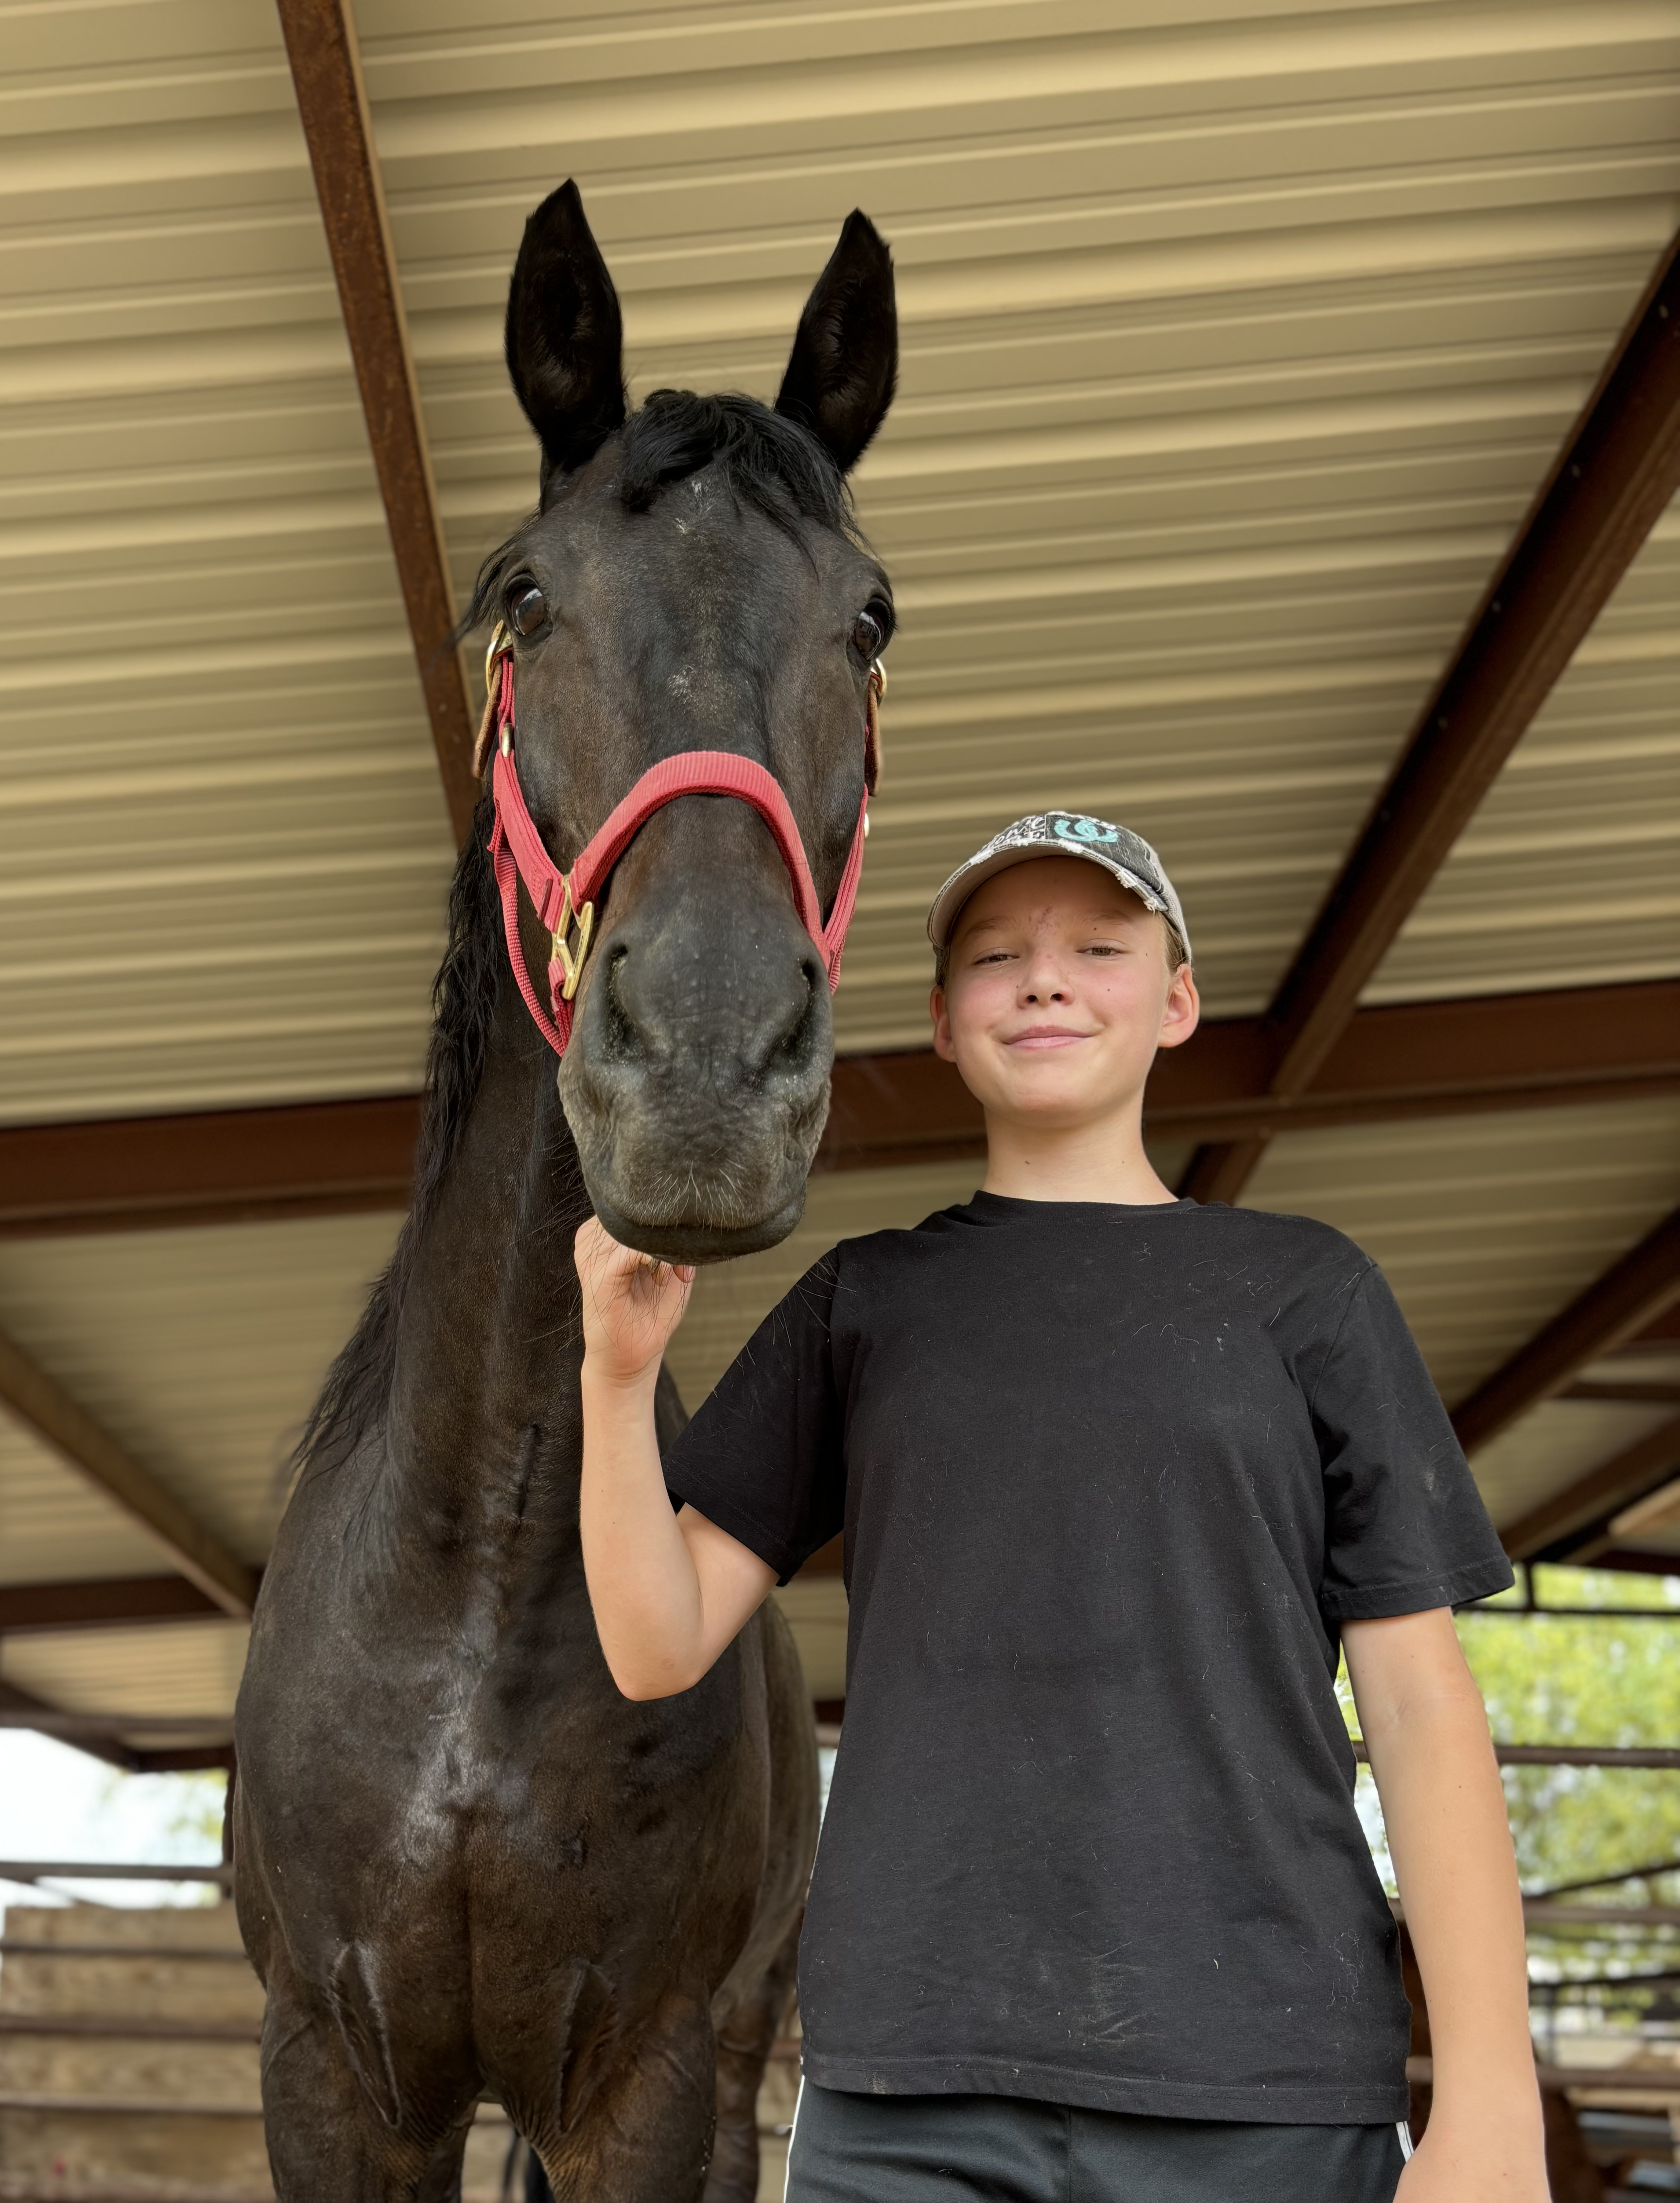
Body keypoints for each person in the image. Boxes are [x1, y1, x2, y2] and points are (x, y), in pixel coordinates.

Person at [574, 811, 1549, 2203]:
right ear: (940, 1020)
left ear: (1178, 1001)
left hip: (1264, 2088)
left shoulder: (1309, 1295)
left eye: (1099, 946)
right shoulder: (867, 1302)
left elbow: (1419, 1708)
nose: (1044, 980)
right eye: (996, 956)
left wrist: (1492, 2097)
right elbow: (655, 1643)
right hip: (908, 2098)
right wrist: (619, 1381)